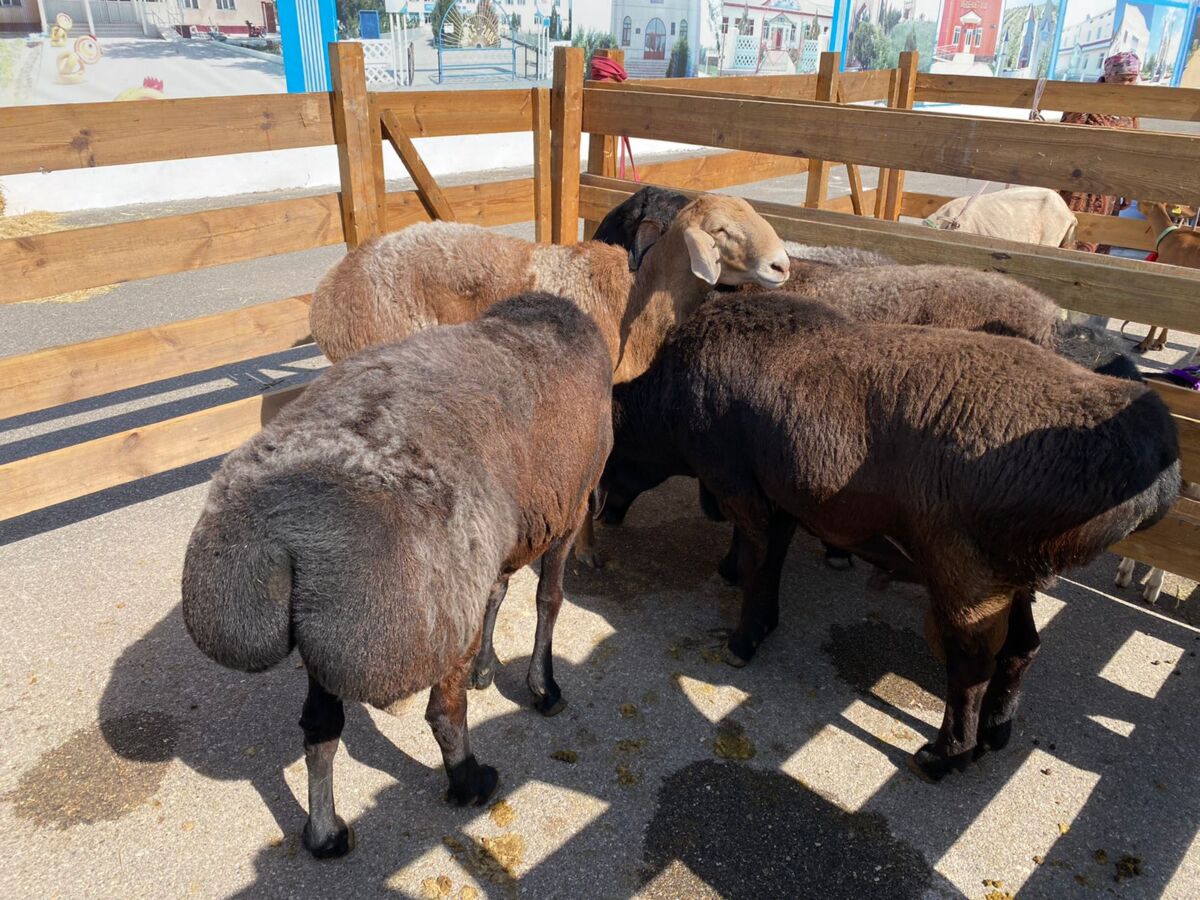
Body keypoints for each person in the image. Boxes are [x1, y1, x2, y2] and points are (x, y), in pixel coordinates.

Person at [1059, 51, 1142, 254]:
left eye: (1133, 79)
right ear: (1109, 76)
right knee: (1071, 237)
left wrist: (1126, 188)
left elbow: (1133, 145)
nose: (1129, 84)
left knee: (1100, 240)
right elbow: (1066, 141)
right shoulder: (1085, 102)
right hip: (1079, 187)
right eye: (1124, 79)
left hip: (1109, 189)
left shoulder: (1131, 107)